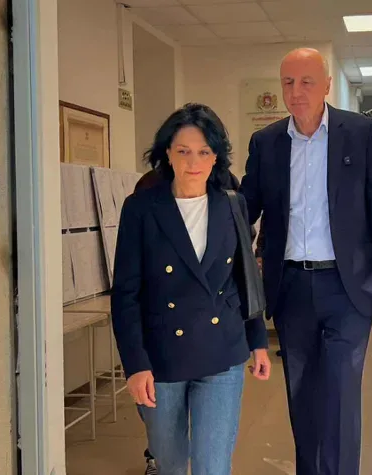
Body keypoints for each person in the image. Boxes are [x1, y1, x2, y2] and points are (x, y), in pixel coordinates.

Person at [239, 48, 372, 475]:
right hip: (291, 287)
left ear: (327, 85)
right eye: (288, 82)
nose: (296, 92)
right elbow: (244, 210)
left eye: (306, 82)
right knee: (303, 397)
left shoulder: (360, 133)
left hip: (347, 288)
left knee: (341, 397)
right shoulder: (267, 142)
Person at [111, 103, 272, 475]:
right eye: (183, 151)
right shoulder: (141, 208)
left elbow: (244, 278)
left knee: (212, 466)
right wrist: (135, 365)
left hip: (222, 351)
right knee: (169, 464)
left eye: (203, 151)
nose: (193, 162)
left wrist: (258, 340)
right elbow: (125, 294)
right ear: (167, 153)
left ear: (216, 157)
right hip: (161, 358)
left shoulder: (232, 204)